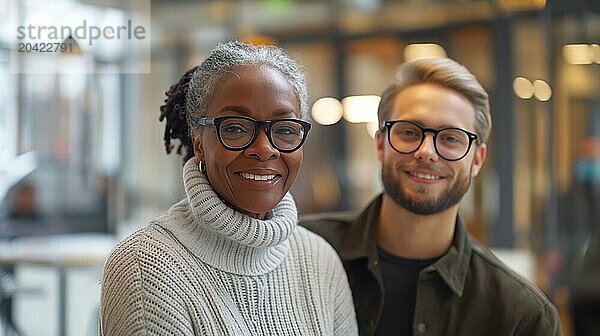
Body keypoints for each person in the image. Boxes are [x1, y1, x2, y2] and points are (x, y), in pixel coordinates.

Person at [99, 41, 358, 336]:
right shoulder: (145, 267)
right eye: (235, 127)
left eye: (285, 129)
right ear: (198, 142)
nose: (264, 149)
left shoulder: (319, 259)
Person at [302, 57, 562, 336]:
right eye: (409, 132)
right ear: (380, 144)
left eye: (450, 138)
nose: (426, 151)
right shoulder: (301, 253)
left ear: (477, 160)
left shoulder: (522, 316)